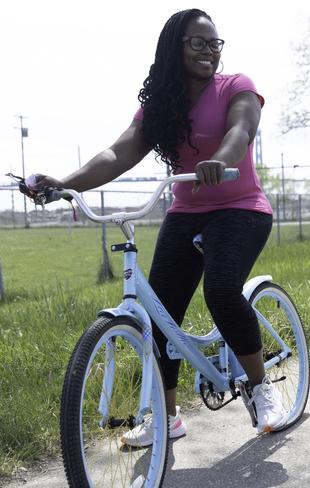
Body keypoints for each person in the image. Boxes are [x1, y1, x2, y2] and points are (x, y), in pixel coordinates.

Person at [30, 8, 288, 444]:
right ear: (175, 48)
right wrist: (65, 184)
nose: (209, 51)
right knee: (159, 314)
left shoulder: (236, 86)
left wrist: (219, 161)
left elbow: (241, 130)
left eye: (214, 43)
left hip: (241, 207)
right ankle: (166, 419)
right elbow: (119, 153)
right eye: (198, 43)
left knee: (222, 290)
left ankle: (261, 388)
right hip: (186, 211)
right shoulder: (161, 105)